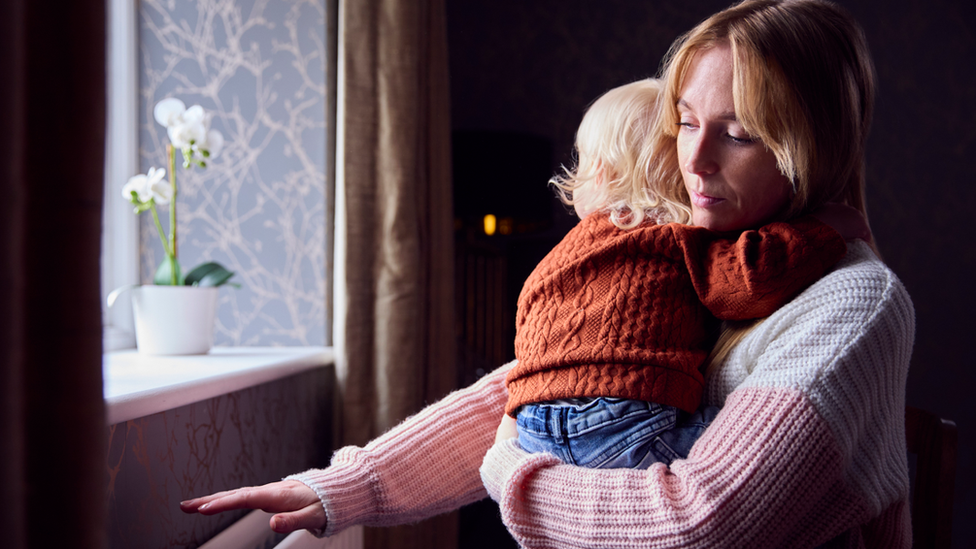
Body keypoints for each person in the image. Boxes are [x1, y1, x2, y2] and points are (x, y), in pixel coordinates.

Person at [181, 1, 915, 547]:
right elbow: (543, 386)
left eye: (740, 133)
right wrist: (340, 486)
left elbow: (699, 522)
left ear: (808, 147)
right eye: (686, 121)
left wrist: (511, 472)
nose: (694, 161)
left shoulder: (851, 300)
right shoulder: (707, 252)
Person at [507, 77, 852, 470]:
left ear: (599, 173)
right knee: (773, 457)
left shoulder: (563, 253)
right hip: (621, 422)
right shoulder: (674, 239)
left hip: (531, 425)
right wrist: (825, 230)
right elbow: (750, 278)